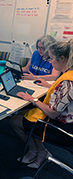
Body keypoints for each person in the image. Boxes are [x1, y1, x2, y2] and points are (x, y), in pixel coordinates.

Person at [10, 39, 73, 169]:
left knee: (15, 121)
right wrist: (50, 86)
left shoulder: (68, 81)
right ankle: (39, 151)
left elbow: (53, 112)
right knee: (23, 114)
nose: (49, 62)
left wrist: (32, 99)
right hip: (66, 118)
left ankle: (38, 151)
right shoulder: (69, 75)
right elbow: (64, 95)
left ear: (62, 58)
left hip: (64, 128)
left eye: (51, 59)